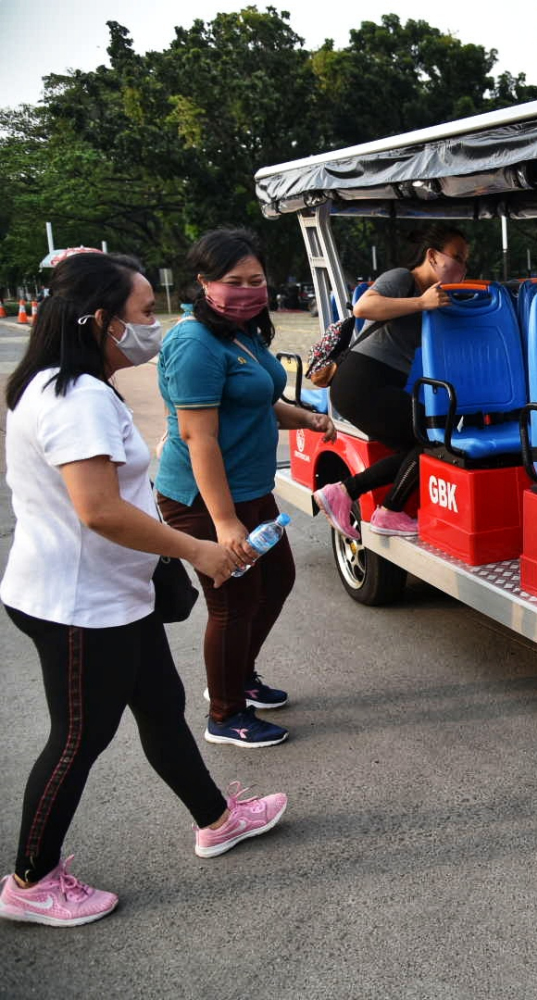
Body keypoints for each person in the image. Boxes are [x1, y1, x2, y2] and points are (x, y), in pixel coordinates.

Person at [0, 253, 289, 928]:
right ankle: (30, 879)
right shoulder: (75, 398)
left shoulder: (64, 385)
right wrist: (199, 550)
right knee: (79, 737)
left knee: (161, 705)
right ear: (99, 321)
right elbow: (98, 509)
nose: (150, 326)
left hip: (113, 595)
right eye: (138, 314)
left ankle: (217, 818)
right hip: (78, 604)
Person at [156, 229, 335, 749]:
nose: (248, 290)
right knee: (233, 602)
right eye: (234, 281)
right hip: (204, 498)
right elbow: (197, 436)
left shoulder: (242, 332)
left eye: (255, 279)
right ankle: (226, 713)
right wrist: (225, 522)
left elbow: (257, 400)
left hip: (250, 488)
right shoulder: (194, 343)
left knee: (276, 580)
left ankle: (241, 676)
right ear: (205, 283)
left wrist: (303, 416)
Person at [313, 225, 469, 540]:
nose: (464, 267)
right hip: (362, 380)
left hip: (378, 382)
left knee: (419, 446)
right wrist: (421, 303)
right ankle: (387, 510)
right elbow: (363, 307)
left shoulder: (437, 296)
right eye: (458, 257)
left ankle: (345, 494)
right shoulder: (403, 279)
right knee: (432, 439)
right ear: (432, 257)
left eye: (466, 260)